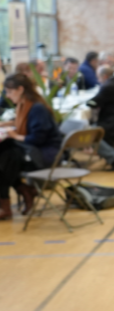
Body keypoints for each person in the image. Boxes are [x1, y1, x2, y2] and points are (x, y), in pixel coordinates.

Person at [0, 74, 62, 219]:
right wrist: (6, 125)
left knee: (6, 158)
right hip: (33, 150)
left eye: (10, 92)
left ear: (20, 89)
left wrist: (14, 136)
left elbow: (37, 139)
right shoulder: (24, 106)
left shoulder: (37, 108)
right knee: (5, 153)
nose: (7, 96)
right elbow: (21, 123)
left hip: (46, 154)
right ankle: (24, 190)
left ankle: (7, 204)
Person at [87, 66, 114, 171]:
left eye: (99, 77)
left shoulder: (109, 86)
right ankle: (113, 153)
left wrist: (86, 102)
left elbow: (94, 102)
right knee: (90, 127)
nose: (98, 80)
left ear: (105, 76)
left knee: (89, 132)